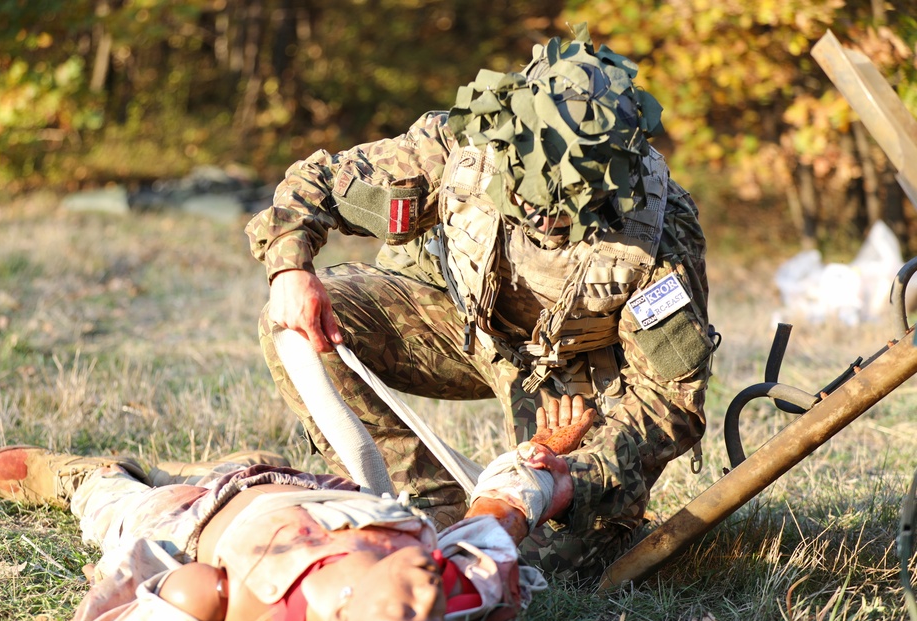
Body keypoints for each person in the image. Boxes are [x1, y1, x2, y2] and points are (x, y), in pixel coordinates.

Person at [247, 24, 714, 577]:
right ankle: (427, 504)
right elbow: (317, 182)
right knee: (301, 331)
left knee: (548, 560)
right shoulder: (462, 147)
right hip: (459, 321)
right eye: (529, 198)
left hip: (574, 372)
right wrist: (290, 267)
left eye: (564, 206)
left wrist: (570, 476)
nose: (544, 219)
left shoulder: (658, 231)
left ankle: (520, 510)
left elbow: (669, 405)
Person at [0, 398, 591, 621]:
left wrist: (158, 589)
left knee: (120, 512)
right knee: (253, 466)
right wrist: (539, 460)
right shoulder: (457, 590)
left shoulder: (244, 607)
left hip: (192, 520)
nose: (431, 597)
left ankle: (92, 478)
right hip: (316, 487)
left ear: (345, 610)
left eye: (411, 613)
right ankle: (228, 465)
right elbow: (496, 519)